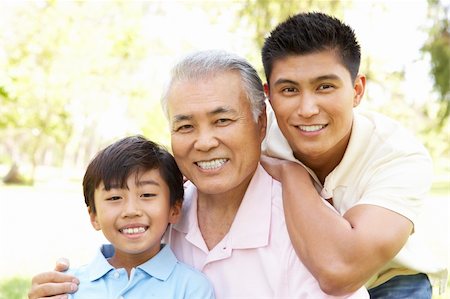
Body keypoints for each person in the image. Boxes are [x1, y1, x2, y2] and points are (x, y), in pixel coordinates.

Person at [28, 50, 369, 299]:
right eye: (186, 125)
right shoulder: (161, 211)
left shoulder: (303, 228)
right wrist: (59, 288)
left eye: (222, 121)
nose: (204, 143)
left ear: (261, 124)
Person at [260, 12, 448, 298]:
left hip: (389, 280)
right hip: (296, 277)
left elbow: (341, 272)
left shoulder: (398, 156)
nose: (307, 108)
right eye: (289, 89)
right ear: (269, 96)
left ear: (357, 90)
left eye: (325, 87)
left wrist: (291, 173)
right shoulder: (255, 140)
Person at [61, 135, 214, 299]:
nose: (131, 210)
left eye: (147, 194)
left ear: (174, 209)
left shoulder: (192, 288)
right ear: (94, 216)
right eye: (114, 198)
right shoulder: (68, 285)